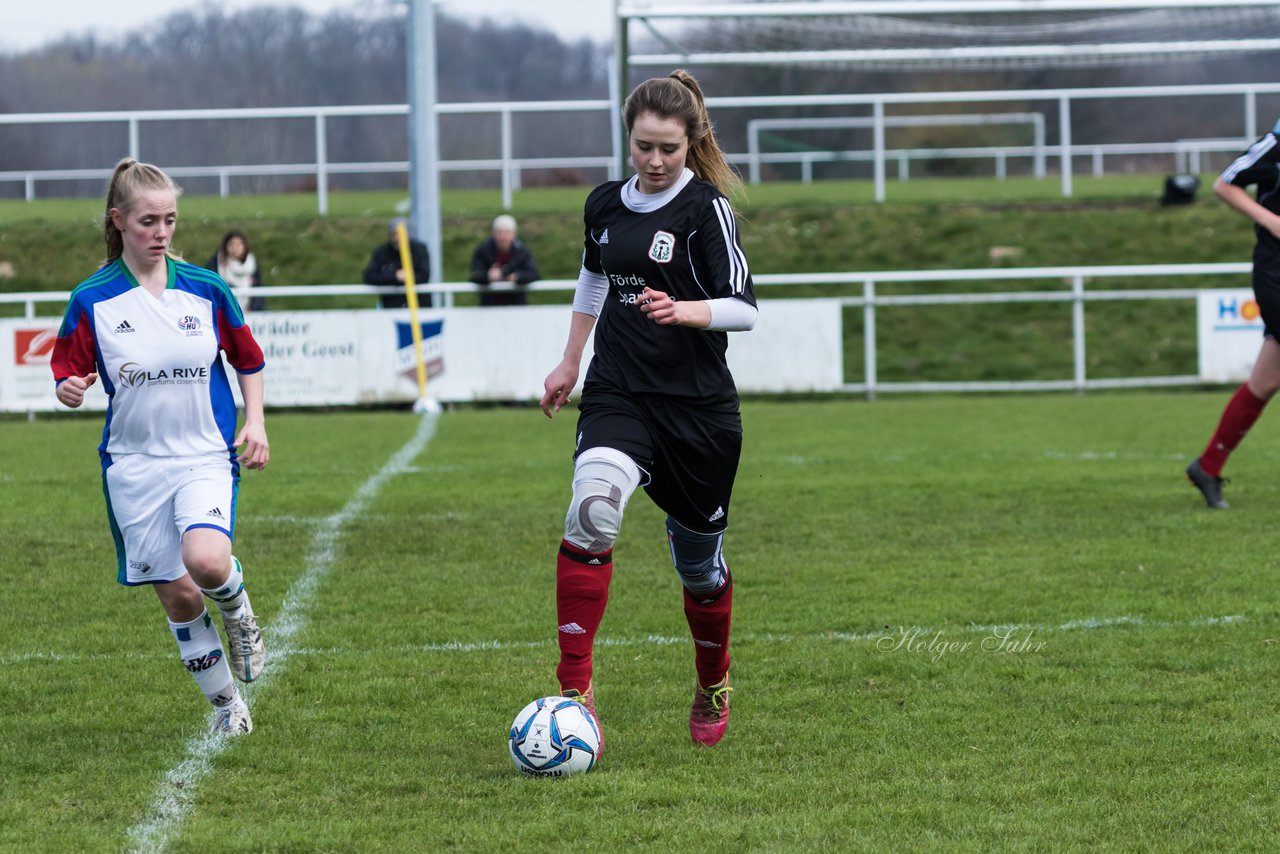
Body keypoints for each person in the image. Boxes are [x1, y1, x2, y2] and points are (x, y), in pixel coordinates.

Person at [539, 70, 757, 748]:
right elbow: (594, 275)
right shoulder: (604, 204)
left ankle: (713, 677)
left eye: (668, 148)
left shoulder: (706, 209)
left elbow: (743, 309)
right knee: (592, 513)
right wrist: (571, 360)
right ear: (628, 140)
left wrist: (683, 310)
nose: (655, 161)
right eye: (643, 147)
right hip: (619, 392)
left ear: (691, 142)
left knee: (698, 567)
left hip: (697, 409)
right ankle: (575, 686)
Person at [51, 158, 269, 735]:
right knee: (177, 596)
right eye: (149, 221)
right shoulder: (92, 300)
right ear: (119, 220)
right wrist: (68, 389)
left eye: (170, 220)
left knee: (206, 563)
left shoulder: (206, 288)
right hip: (134, 467)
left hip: (203, 455)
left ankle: (239, 609)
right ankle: (228, 707)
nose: (162, 233)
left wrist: (258, 422)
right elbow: (67, 375)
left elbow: (248, 359)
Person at [1186, 118, 1280, 509]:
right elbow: (1224, 183)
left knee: (1267, 379)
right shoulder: (1275, 144)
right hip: (1277, 273)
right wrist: (1272, 220)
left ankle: (1208, 467)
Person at [469, 214, 541, 306]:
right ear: (493, 234)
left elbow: (534, 274)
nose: (502, 237)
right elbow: (474, 275)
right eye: (499, 233)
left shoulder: (522, 252)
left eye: (506, 232)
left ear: (513, 234)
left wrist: (515, 277)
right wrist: (488, 276)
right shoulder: (483, 251)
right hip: (489, 307)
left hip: (516, 306)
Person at [363, 217, 431, 309]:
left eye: (401, 234)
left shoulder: (420, 250)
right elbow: (369, 276)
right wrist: (395, 276)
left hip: (420, 306)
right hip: (391, 308)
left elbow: (424, 275)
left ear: (408, 233)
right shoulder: (381, 252)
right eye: (394, 234)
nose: (397, 238)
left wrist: (409, 276)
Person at [206, 229, 264, 312]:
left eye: (239, 244)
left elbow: (258, 289)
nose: (235, 248)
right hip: (223, 313)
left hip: (249, 312)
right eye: (231, 244)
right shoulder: (216, 264)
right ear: (225, 246)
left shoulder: (251, 265)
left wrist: (252, 308)